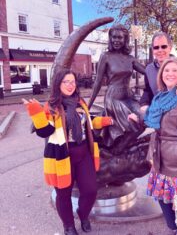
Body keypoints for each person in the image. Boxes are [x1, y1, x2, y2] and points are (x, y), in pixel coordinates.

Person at [23, 69, 112, 235]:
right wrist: (36, 113)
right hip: (62, 156)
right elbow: (45, 131)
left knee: (91, 190)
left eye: (72, 82)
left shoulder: (80, 102)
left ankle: (83, 214)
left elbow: (88, 122)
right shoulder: (52, 106)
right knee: (63, 194)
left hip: (84, 151)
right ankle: (68, 225)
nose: (70, 85)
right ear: (58, 84)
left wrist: (104, 121)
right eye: (66, 82)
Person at [129, 57, 177, 235]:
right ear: (161, 75)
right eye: (166, 70)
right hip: (160, 157)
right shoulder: (160, 98)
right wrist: (139, 118)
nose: (170, 74)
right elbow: (153, 121)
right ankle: (174, 229)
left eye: (174, 71)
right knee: (163, 198)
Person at [88, 24, 145, 152]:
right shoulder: (105, 56)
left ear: (125, 40)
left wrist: (167, 69)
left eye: (120, 38)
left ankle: (121, 147)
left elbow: (148, 72)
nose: (116, 40)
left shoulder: (130, 59)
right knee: (131, 124)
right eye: (113, 37)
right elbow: (97, 83)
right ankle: (117, 151)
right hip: (113, 98)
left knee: (144, 119)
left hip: (128, 96)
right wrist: (88, 106)